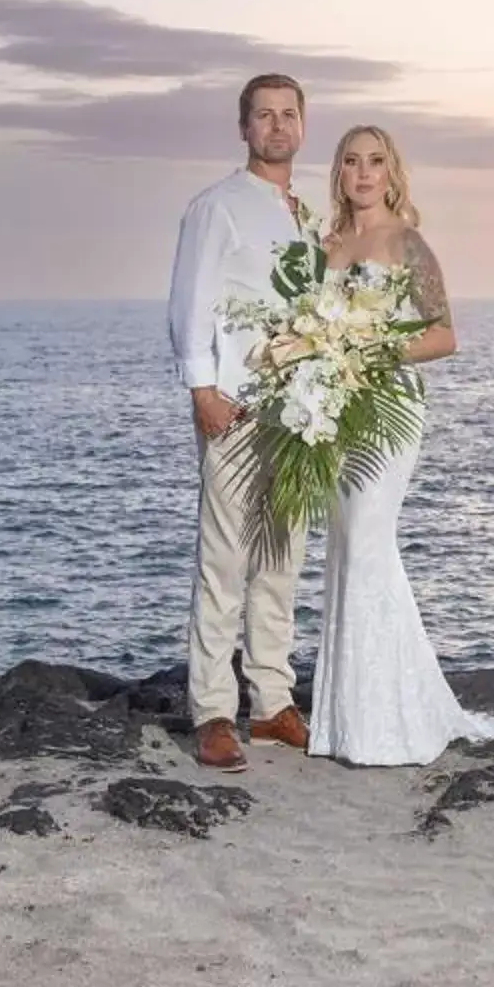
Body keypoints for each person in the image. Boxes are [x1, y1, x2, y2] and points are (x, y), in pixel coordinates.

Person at [306, 124, 494, 767]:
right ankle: (346, 721)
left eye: (376, 162)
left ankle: (389, 723)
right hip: (335, 406)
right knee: (346, 545)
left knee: (367, 536)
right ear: (338, 173)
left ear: (393, 173)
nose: (363, 173)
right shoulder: (328, 244)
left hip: (391, 405)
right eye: (351, 162)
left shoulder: (408, 243)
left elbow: (444, 337)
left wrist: (371, 350)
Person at [166, 73, 318, 773]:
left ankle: (272, 702)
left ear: (303, 126)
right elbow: (190, 303)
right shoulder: (216, 207)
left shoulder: (304, 214)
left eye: (288, 115)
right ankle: (214, 712)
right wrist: (202, 388)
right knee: (224, 559)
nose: (277, 127)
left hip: (299, 413)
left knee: (282, 560)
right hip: (234, 405)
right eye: (264, 116)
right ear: (244, 128)